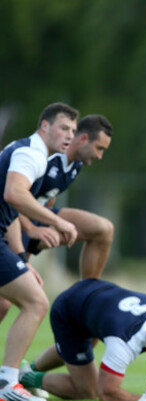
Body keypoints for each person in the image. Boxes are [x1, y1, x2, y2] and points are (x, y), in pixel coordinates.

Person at [0, 102, 78, 401]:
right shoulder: (30, 153)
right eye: (63, 127)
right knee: (35, 302)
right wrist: (56, 220)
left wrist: (19, 261)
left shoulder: (32, 154)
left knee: (5, 305)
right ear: (44, 126)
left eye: (73, 129)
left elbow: (8, 212)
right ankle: (8, 382)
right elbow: (14, 194)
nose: (69, 134)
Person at [18, 278, 146, 401]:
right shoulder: (124, 341)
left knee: (75, 350)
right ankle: (25, 377)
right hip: (69, 309)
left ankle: (31, 367)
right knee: (88, 390)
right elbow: (107, 392)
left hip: (95, 294)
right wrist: (142, 398)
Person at [19, 114, 114, 279]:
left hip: (36, 217)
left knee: (103, 229)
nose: (100, 156)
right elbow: (13, 198)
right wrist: (30, 235)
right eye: (99, 148)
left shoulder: (76, 165)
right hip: (13, 221)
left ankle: (86, 295)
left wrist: (45, 224)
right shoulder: (47, 158)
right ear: (84, 139)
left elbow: (50, 197)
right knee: (4, 304)